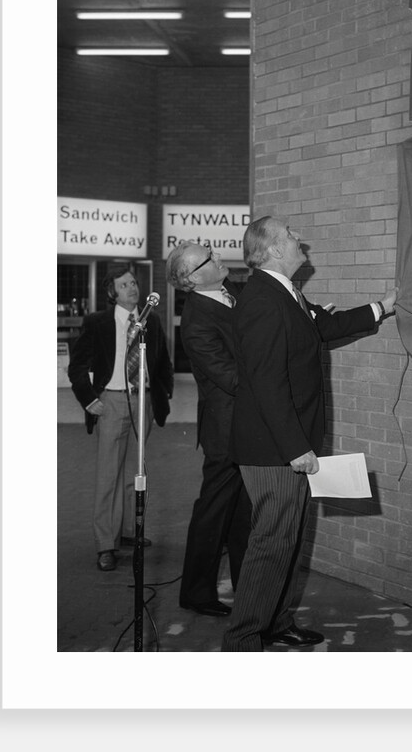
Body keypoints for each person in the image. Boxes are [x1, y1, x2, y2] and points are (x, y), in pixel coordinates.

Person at [221, 216, 397, 652]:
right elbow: (266, 382)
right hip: (274, 449)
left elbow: (321, 327)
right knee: (271, 543)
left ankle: (276, 623)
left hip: (284, 444)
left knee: (288, 539)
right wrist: (295, 448)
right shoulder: (263, 299)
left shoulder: (286, 294)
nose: (302, 240)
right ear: (275, 250)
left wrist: (383, 306)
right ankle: (242, 642)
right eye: (292, 236)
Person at [67, 265, 174, 572]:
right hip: (111, 403)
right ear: (112, 292)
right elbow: (77, 367)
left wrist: (161, 396)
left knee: (134, 473)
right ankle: (106, 544)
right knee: (108, 477)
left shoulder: (150, 320)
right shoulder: (98, 322)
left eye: (133, 283)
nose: (132, 288)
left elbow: (163, 363)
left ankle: (128, 532)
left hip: (143, 401)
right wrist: (89, 400)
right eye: (124, 285)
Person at [166, 240, 252, 617]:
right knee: (213, 513)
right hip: (225, 430)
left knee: (240, 513)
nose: (219, 257)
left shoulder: (233, 291)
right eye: (210, 257)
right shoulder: (197, 321)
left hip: (246, 426)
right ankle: (197, 593)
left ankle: (246, 588)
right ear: (190, 277)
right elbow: (231, 378)